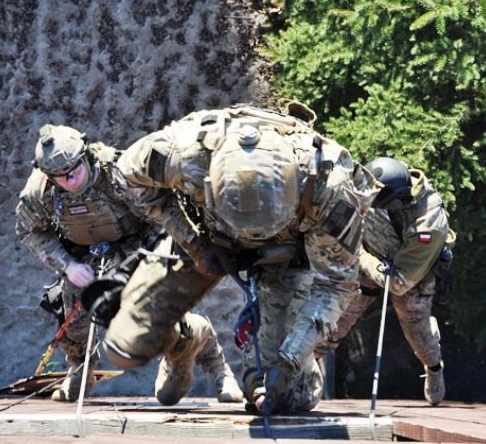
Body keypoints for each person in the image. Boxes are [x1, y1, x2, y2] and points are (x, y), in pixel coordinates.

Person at [108, 103, 378, 414]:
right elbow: (126, 175)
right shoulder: (184, 155)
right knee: (128, 339)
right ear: (208, 187)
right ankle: (192, 340)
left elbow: (336, 284)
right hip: (205, 235)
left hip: (286, 253)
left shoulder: (330, 188)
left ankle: (292, 367)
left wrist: (291, 356)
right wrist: (193, 242)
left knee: (284, 396)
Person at [14, 124, 243, 403]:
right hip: (81, 258)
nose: (69, 180)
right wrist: (67, 265)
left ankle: (219, 371)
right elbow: (30, 231)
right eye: (59, 177)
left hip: (136, 246)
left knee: (153, 319)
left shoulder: (119, 175)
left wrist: (164, 256)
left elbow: (161, 212)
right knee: (73, 322)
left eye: (73, 171)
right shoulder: (40, 190)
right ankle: (80, 369)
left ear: (85, 157)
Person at [316, 157, 455, 406]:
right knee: (335, 320)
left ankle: (434, 369)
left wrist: (357, 254)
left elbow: (400, 282)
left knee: (418, 333)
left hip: (410, 276)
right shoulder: (371, 185)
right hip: (368, 261)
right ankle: (306, 372)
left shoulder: (428, 223)